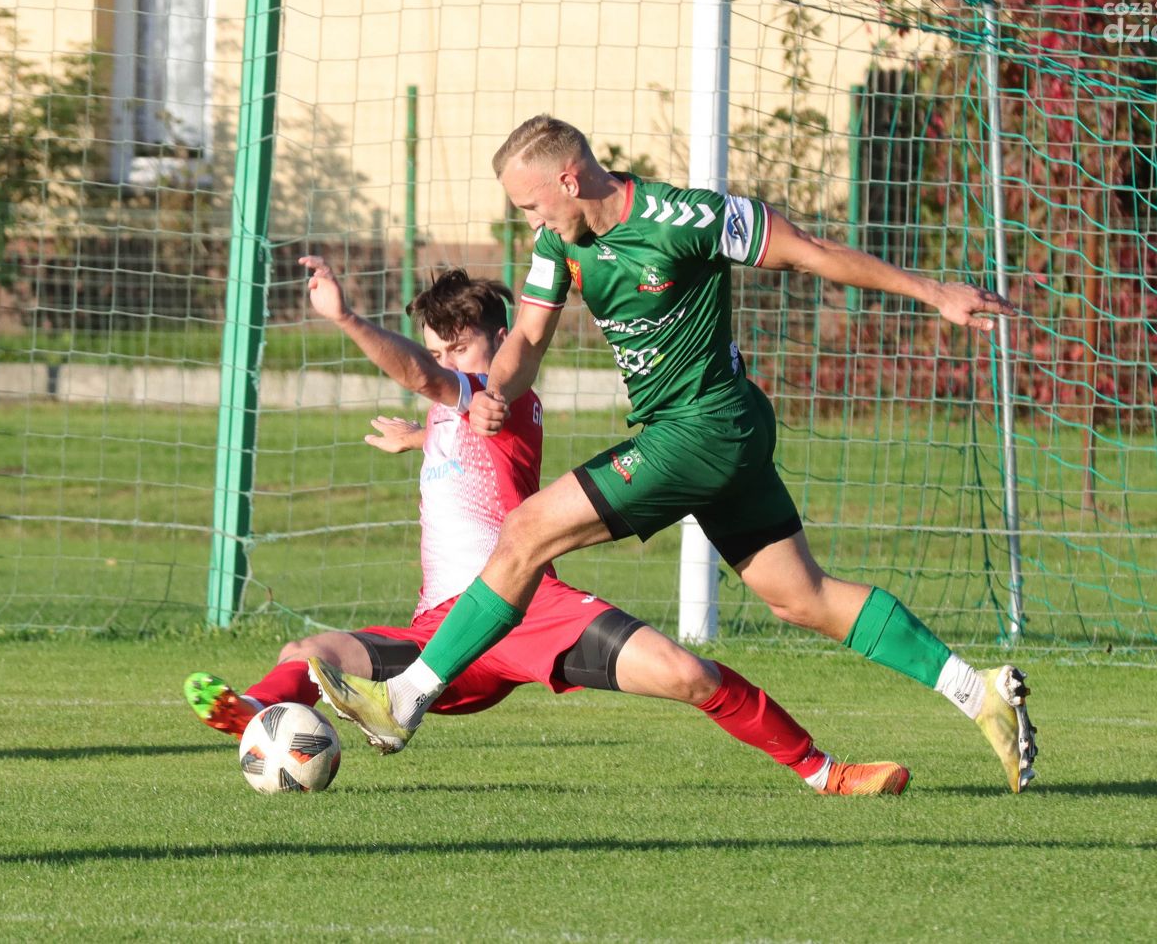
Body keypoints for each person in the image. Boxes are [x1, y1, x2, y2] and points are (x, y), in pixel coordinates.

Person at [309, 115, 1038, 793]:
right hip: (707, 434)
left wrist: (934, 290)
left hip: (704, 423)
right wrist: (494, 390)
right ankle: (980, 693)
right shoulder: (560, 244)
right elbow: (525, 341)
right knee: (801, 598)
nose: (527, 222)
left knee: (527, 530)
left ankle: (404, 699)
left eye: (530, 206)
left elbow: (813, 253)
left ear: (569, 179)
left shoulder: (685, 217)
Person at [185, 265, 911, 796]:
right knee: (310, 651)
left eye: (460, 349)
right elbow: (442, 411)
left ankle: (826, 772)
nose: (447, 364)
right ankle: (253, 712)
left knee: (689, 675)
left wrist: (346, 320)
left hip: (532, 613)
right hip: (442, 631)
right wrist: (419, 438)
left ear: (501, 343)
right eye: (439, 350)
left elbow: (441, 393)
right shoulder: (450, 413)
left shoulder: (503, 395)